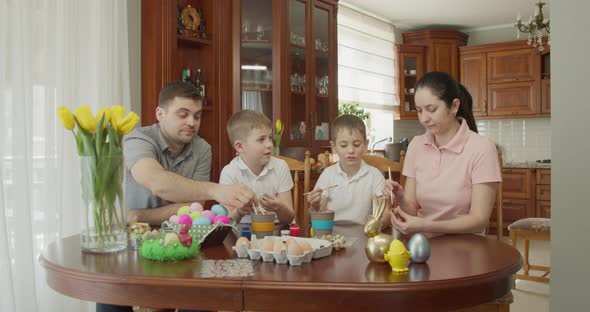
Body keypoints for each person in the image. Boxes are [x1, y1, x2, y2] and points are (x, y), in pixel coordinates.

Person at [97, 81, 258, 312]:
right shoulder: (137, 139)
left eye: (197, 115)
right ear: (160, 114)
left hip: (183, 245)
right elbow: (157, 182)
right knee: (110, 292)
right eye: (183, 114)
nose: (192, 122)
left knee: (202, 298)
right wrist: (215, 190)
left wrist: (138, 214)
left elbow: (194, 208)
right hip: (132, 243)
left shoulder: (202, 149)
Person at [383, 71, 501, 237]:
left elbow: (479, 220)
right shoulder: (416, 145)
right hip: (422, 246)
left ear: (454, 106)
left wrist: (426, 225)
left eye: (431, 109)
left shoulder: (482, 148)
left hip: (466, 249)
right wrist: (400, 197)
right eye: (419, 110)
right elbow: (411, 209)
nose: (424, 118)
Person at [306, 114, 386, 225]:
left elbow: (384, 215)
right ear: (334, 147)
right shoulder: (328, 174)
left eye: (356, 145)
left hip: (364, 235)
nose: (351, 150)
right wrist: (314, 205)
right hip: (331, 236)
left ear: (365, 145)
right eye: (344, 145)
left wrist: (385, 214)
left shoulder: (374, 175)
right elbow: (316, 213)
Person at [220, 110, 294, 225]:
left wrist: (279, 207)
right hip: (243, 232)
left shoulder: (280, 166)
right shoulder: (229, 173)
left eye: (270, 138)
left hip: (275, 229)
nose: (269, 144)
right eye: (261, 139)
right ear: (240, 146)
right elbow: (227, 223)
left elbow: (288, 219)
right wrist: (239, 212)